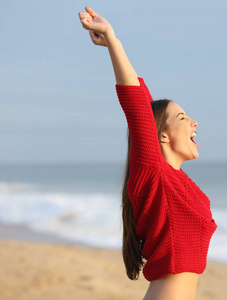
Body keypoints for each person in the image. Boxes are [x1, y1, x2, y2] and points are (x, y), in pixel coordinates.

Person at [78, 6, 217, 300]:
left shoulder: (184, 186)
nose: (193, 121)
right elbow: (138, 105)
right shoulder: (153, 173)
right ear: (162, 136)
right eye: (182, 117)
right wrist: (113, 42)